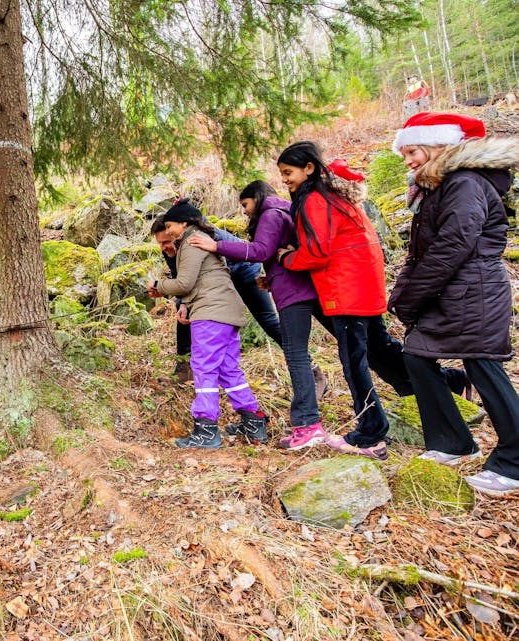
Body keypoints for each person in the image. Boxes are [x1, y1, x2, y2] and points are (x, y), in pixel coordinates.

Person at [389, 112, 519, 496]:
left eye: (412, 151)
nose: (408, 161)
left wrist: (412, 297)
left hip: (473, 292)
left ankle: (513, 461)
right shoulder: (440, 186)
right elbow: (424, 251)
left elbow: (452, 247)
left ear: (438, 145)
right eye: (404, 154)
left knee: (482, 366)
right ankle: (452, 442)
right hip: (454, 291)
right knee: (415, 355)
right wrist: (404, 293)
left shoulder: (464, 182)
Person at [275, 142, 399, 460]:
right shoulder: (338, 199)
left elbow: (317, 252)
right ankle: (450, 384)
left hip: (346, 291)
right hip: (366, 287)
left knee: (354, 363)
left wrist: (288, 258)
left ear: (309, 169)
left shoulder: (315, 201)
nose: (285, 180)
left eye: (288, 173)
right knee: (380, 350)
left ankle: (370, 434)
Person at [188, 181, 331, 449]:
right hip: (266, 279)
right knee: (283, 338)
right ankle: (276, 412)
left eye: (245, 204)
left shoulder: (210, 236)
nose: (244, 211)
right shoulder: (275, 213)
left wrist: (216, 247)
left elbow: (258, 252)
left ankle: (312, 379)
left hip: (247, 273)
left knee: (273, 326)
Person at [148, 199, 267, 448]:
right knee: (228, 368)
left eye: (170, 226)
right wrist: (184, 305)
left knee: (203, 368)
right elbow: (201, 281)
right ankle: (253, 420)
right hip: (225, 310)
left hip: (211, 313)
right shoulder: (200, 239)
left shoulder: (192, 242)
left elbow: (184, 283)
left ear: (184, 222)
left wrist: (159, 287)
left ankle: (206, 429)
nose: (168, 232)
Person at [150, 216, 282, 384]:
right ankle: (184, 370)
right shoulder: (171, 248)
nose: (163, 247)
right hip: (215, 276)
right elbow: (180, 276)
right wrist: (183, 301)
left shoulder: (203, 236)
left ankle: (310, 368)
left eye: (166, 241)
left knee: (268, 320)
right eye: (160, 243)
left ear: (177, 232)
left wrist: (160, 286)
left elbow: (195, 279)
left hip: (243, 269)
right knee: (182, 310)